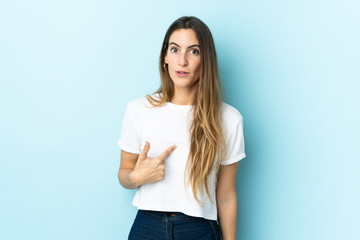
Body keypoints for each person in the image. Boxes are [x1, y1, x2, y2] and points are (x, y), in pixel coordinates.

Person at [117, 16, 246, 240]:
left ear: (206, 59)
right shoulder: (138, 109)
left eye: (193, 51)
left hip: (199, 230)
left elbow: (225, 195)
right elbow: (123, 175)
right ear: (165, 57)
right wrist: (137, 177)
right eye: (175, 50)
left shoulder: (228, 119)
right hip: (148, 227)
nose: (182, 61)